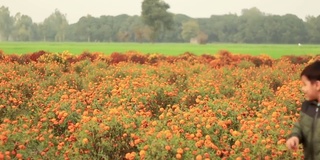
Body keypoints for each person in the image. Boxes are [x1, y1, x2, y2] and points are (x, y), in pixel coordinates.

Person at [286, 60, 320, 159]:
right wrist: (295, 136)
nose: (303, 89)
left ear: (317, 85)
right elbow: (301, 125)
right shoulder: (307, 106)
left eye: (305, 84)